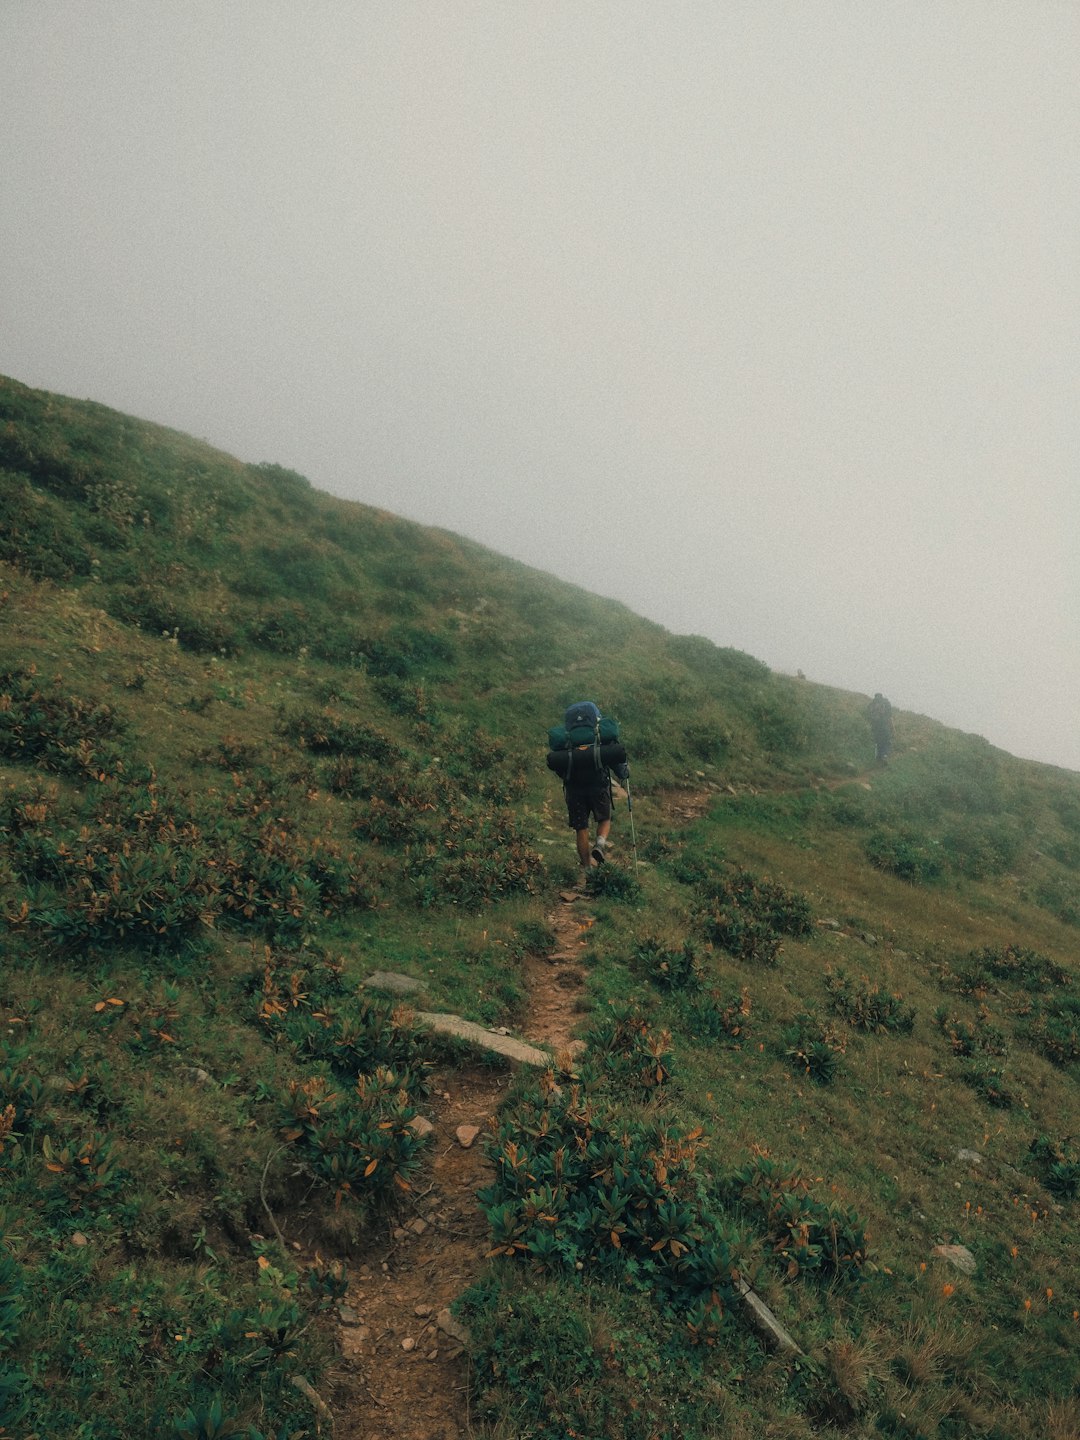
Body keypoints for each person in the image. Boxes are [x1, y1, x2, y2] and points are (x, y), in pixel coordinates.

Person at [545, 701, 629, 879]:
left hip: (574, 789)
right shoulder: (599, 736)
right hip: (598, 784)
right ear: (595, 718)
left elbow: (559, 766)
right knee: (605, 819)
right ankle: (599, 844)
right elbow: (616, 762)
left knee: (581, 828)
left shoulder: (568, 741)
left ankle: (587, 870)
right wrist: (624, 773)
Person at [867, 692, 894, 764]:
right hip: (884, 725)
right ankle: (884, 756)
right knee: (886, 740)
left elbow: (868, 716)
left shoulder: (871, 704)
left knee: (878, 741)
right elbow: (890, 717)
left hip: (875, 725)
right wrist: (893, 728)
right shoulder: (886, 703)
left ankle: (878, 757)